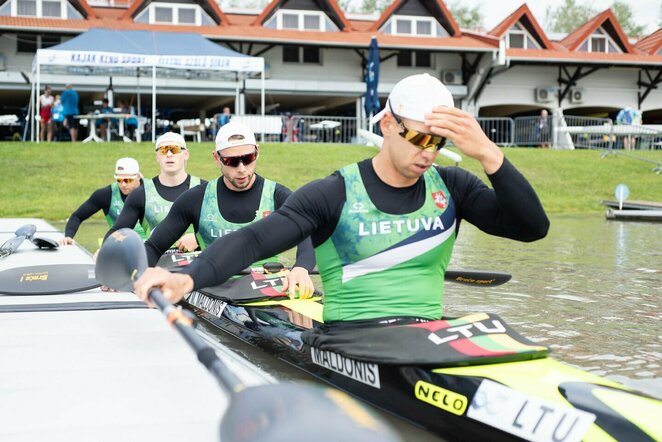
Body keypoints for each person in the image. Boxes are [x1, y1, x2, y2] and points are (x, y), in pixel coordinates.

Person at [133, 73, 549, 324]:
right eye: (419, 137)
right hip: (353, 340)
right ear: (387, 124)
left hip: (427, 333)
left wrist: (490, 155)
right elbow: (255, 241)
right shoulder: (333, 193)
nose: (428, 151)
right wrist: (186, 279)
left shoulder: (454, 187)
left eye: (440, 141)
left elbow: (532, 229)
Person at [142, 121, 315, 297]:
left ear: (257, 152)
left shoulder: (279, 196)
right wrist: (136, 277)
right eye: (231, 161)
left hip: (267, 289)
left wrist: (301, 267)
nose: (241, 169)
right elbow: (153, 247)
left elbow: (308, 235)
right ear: (217, 158)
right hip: (214, 290)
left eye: (248, 159)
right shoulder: (195, 199)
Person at [105, 132, 204, 252]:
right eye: (163, 150)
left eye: (174, 149)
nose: (169, 154)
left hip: (199, 266)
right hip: (157, 264)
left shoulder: (204, 189)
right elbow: (118, 231)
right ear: (157, 156)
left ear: (186, 154)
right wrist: (104, 249)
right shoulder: (141, 194)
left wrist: (197, 238)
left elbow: (227, 230)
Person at [60, 158, 146, 245]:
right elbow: (77, 216)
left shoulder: (153, 192)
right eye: (119, 180)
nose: (123, 184)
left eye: (127, 180)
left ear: (138, 177)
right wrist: (68, 236)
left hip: (150, 247)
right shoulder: (106, 194)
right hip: (120, 247)